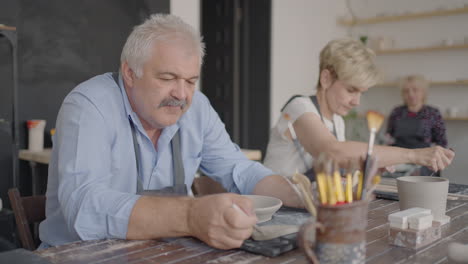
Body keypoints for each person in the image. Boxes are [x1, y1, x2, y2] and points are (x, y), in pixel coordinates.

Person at [39, 14, 300, 250]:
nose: (181, 94)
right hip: (80, 256)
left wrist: (300, 195)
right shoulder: (90, 105)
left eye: (190, 81)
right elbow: (84, 207)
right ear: (130, 73)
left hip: (159, 253)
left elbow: (239, 169)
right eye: (167, 78)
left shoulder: (197, 108)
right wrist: (190, 216)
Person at [263, 38, 454, 178]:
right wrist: (413, 154)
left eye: (361, 93)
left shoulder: (337, 121)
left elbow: (336, 165)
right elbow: (332, 152)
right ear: (326, 78)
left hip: (302, 207)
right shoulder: (299, 108)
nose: (357, 102)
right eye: (351, 90)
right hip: (276, 208)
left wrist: (365, 168)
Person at [386, 75, 448, 176]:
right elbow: (389, 138)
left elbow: (442, 142)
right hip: (399, 160)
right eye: (406, 91)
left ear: (423, 92)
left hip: (423, 160)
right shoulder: (396, 112)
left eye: (415, 90)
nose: (410, 94)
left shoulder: (433, 113)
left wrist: (436, 160)